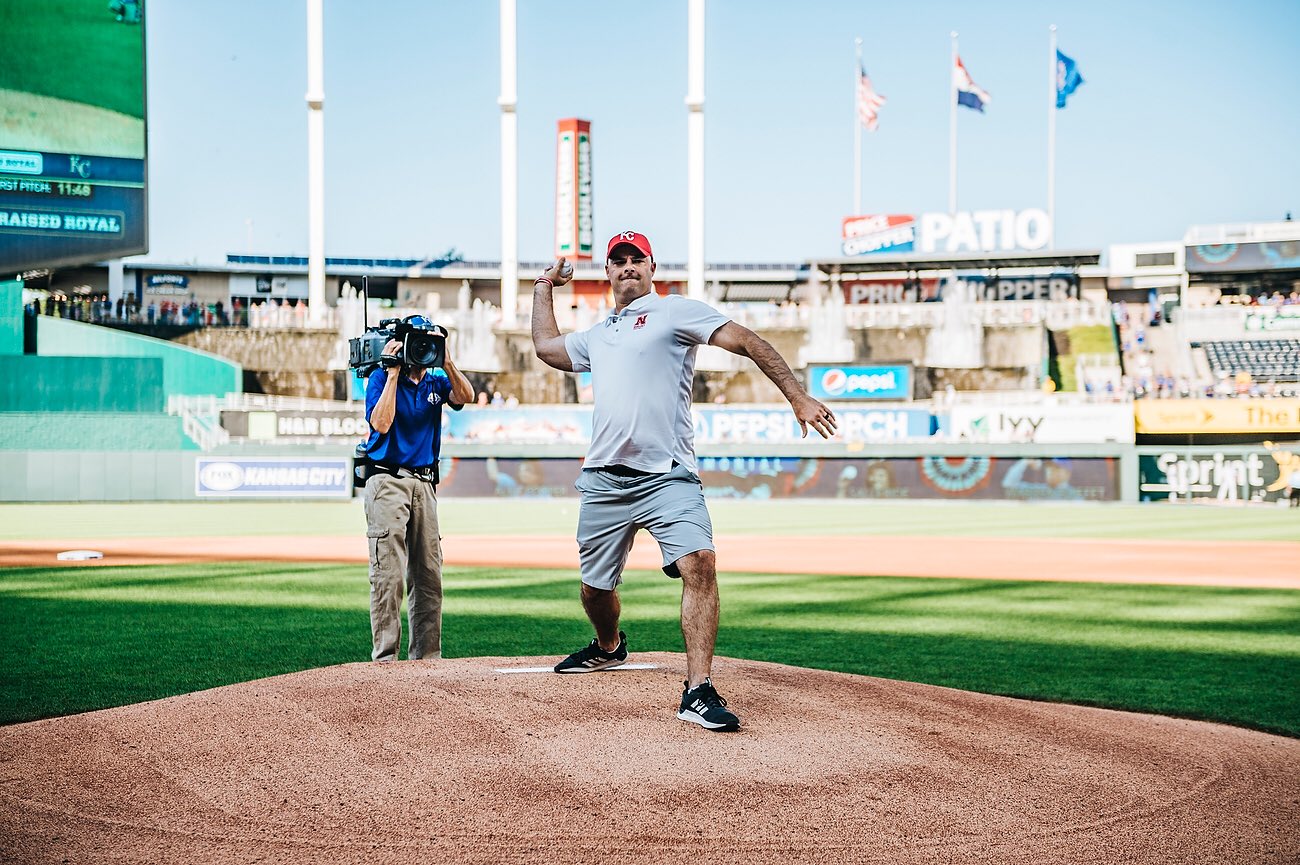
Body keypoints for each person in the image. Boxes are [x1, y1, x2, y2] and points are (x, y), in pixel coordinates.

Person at [530, 230, 837, 732]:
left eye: (637, 259)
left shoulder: (675, 312)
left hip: (668, 475)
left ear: (651, 268)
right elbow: (545, 346)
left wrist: (796, 396)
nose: (627, 266)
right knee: (594, 591)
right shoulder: (599, 334)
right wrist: (544, 285)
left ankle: (697, 689)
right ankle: (609, 647)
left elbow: (749, 342)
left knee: (700, 562)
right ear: (607, 272)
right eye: (618, 260)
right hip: (605, 480)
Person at [359, 318, 474, 662]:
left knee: (428, 576)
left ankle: (426, 660)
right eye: (418, 343)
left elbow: (465, 397)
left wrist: (447, 359)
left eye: (429, 343)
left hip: (424, 483)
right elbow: (380, 423)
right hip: (388, 480)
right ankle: (386, 659)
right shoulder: (380, 378)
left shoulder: (437, 380)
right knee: (389, 575)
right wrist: (393, 373)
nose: (423, 349)